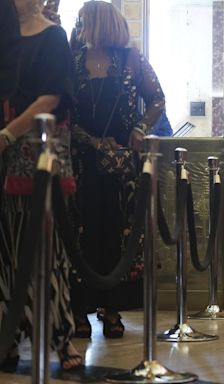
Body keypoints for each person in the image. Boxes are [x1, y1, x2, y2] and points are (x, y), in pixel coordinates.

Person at [69, 0, 166, 339]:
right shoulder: (73, 59)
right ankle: (79, 310)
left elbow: (157, 98)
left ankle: (112, 310)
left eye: (83, 20)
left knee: (116, 234)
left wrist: (139, 128)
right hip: (80, 162)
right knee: (81, 234)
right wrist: (89, 141)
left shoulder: (131, 59)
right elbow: (64, 110)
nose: (79, 26)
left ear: (99, 24)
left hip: (122, 164)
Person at [0, 0, 81, 371]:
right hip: (5, 154)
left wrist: (6, 134)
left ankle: (60, 337)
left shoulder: (52, 36)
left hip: (37, 155)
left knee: (46, 250)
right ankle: (7, 337)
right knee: (6, 253)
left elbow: (51, 97)